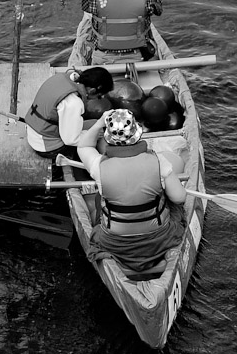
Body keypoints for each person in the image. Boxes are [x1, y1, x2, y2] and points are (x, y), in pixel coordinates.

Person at [77, 108, 186, 280]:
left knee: (100, 199)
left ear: (108, 138)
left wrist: (99, 122)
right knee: (174, 205)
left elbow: (83, 146)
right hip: (159, 239)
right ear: (137, 133)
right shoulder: (159, 161)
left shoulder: (98, 166)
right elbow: (180, 198)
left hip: (115, 243)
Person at [24, 66, 114, 158]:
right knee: (96, 138)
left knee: (95, 124)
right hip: (46, 145)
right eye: (99, 96)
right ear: (92, 90)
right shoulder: (74, 102)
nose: (99, 99)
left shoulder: (61, 78)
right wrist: (93, 135)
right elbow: (71, 140)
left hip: (35, 130)